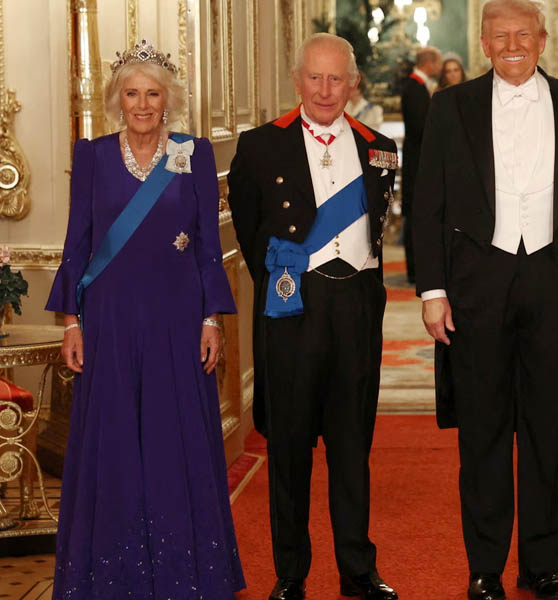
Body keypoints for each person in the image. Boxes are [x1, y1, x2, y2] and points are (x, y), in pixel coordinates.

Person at [414, 1, 558, 598]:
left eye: (523, 34)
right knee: (480, 432)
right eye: (500, 34)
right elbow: (428, 205)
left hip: (557, 283)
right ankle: (484, 569)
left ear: (543, 40)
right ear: (482, 43)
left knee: (546, 430)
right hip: (476, 283)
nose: (512, 44)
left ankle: (541, 565)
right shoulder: (450, 108)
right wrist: (432, 290)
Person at [46, 40, 245, 599]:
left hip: (176, 318)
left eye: (153, 94)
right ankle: (111, 576)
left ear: (168, 100)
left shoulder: (193, 153)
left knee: (170, 439)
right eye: (131, 94)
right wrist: (71, 323)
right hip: (108, 319)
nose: (142, 104)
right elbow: (77, 243)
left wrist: (211, 318)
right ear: (117, 100)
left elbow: (207, 241)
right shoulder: (93, 155)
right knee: (112, 441)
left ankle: (185, 576)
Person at [227, 33, 399, 600]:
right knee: (291, 447)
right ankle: (291, 573)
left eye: (337, 79)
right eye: (315, 78)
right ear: (297, 79)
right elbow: (254, 236)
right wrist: (287, 283)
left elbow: (377, 233)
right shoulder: (258, 146)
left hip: (357, 305)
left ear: (354, 84)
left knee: (353, 446)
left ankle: (358, 569)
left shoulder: (380, 149)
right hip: (292, 308)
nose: (326, 90)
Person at [400, 45, 441, 284]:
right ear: (429, 62)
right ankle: (414, 269)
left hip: (418, 158)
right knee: (414, 214)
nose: (439, 67)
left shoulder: (418, 86)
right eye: (437, 62)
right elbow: (420, 126)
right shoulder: (414, 88)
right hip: (417, 161)